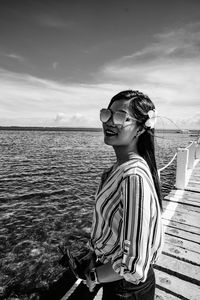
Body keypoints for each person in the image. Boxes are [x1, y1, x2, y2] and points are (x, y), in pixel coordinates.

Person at [83, 90, 163, 300]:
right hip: (116, 278)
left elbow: (133, 265)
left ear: (139, 129)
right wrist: (94, 254)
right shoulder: (115, 170)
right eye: (107, 114)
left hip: (127, 288)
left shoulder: (133, 177)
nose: (109, 122)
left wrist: (94, 275)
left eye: (120, 117)